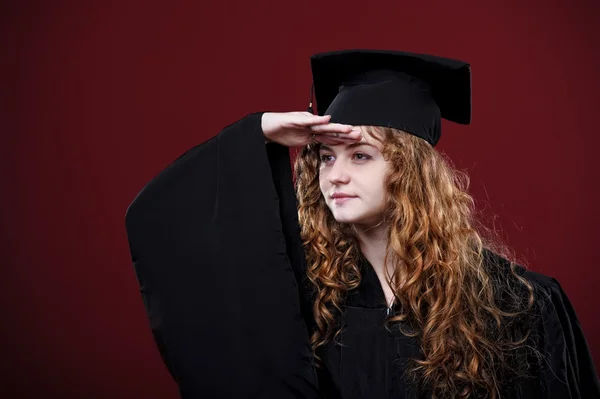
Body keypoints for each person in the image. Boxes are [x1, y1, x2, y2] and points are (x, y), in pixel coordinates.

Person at [125, 50, 600, 398]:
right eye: (325, 157)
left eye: (361, 155)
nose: (336, 174)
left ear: (411, 171)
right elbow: (161, 222)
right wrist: (261, 130)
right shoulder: (307, 303)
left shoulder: (517, 302)